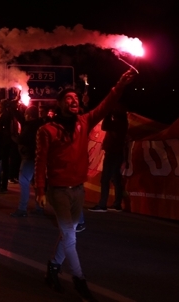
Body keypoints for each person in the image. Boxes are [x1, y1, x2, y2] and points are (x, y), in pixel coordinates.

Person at [36, 69, 135, 301]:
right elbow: (40, 162)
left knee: (67, 235)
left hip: (77, 191)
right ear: (60, 104)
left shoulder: (84, 121)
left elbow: (106, 105)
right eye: (68, 98)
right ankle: (80, 280)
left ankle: (52, 270)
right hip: (58, 191)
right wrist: (40, 190)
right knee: (70, 237)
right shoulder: (46, 130)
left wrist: (120, 84)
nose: (74, 101)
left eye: (76, 99)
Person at [89, 105, 129, 212]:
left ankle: (102, 205)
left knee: (105, 179)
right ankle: (117, 204)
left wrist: (107, 114)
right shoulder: (123, 123)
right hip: (117, 153)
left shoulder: (117, 123)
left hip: (112, 153)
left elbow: (105, 126)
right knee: (116, 179)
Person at [10, 105, 44, 217]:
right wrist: (14, 108)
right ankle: (39, 208)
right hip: (38, 158)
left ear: (29, 116)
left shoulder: (30, 127)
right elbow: (20, 118)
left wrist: (13, 137)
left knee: (24, 181)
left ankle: (22, 209)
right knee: (36, 183)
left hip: (29, 157)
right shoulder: (39, 124)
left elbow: (22, 139)